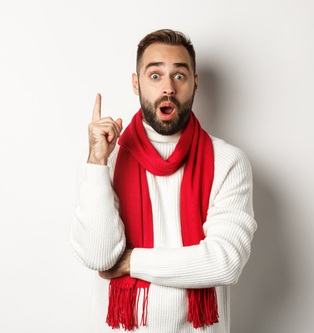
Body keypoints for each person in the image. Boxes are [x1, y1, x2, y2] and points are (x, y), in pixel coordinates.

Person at [70, 29, 257, 332]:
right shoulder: (104, 159)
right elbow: (99, 256)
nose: (167, 88)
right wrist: (97, 162)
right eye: (155, 75)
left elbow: (225, 261)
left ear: (195, 84)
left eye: (179, 76)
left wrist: (131, 262)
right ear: (136, 83)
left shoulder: (228, 162)